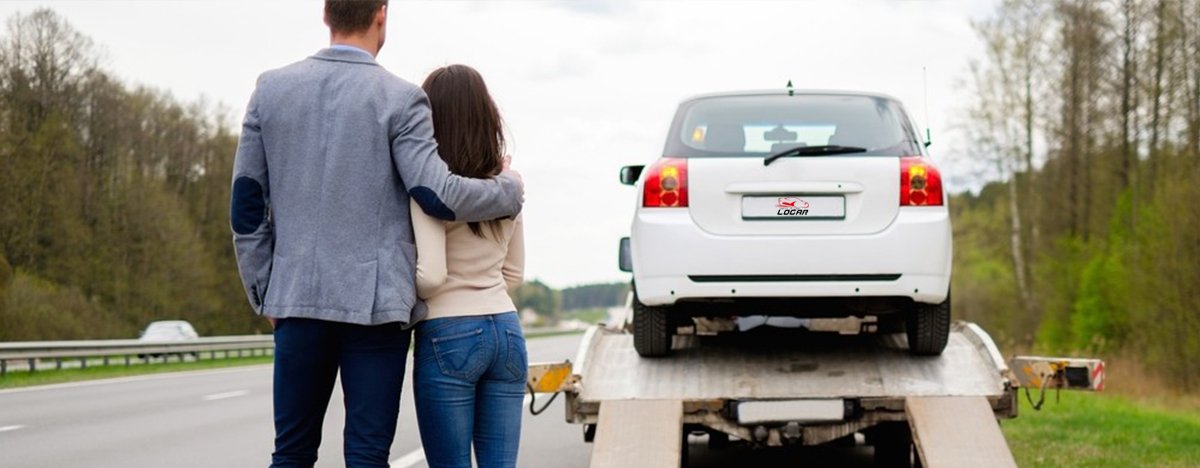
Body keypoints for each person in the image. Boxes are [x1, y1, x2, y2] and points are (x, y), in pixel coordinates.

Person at [229, 2, 524, 467]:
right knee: (367, 455)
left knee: (291, 452)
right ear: (381, 14)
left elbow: (246, 206)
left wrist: (264, 291)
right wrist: (508, 189)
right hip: (376, 309)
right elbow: (437, 193)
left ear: (326, 15)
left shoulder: (271, 89)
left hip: (296, 300)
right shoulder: (400, 98)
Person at [409, 64, 527, 468]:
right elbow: (514, 274)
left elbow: (432, 276)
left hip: (447, 331)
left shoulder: (427, 188)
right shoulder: (507, 185)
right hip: (507, 330)